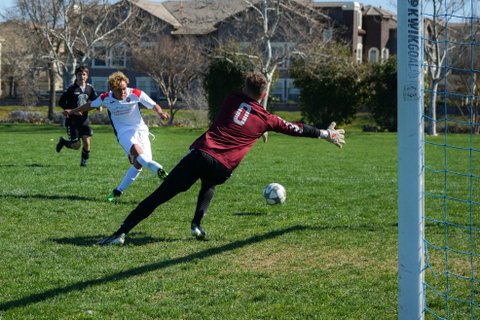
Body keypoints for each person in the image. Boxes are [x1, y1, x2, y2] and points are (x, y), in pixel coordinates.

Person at [97, 71, 345, 246]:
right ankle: (196, 225)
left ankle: (120, 233)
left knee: (160, 196)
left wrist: (261, 127)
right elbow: (296, 128)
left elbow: (241, 113)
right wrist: (326, 133)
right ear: (265, 93)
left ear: (243, 88)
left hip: (202, 153)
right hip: (223, 168)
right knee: (210, 182)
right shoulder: (267, 119)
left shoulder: (231, 98)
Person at [64, 71, 170, 202]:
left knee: (140, 163)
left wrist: (160, 113)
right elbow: (90, 105)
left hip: (141, 130)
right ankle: (164, 173)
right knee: (140, 157)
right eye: (120, 90)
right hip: (124, 133)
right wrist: (73, 111)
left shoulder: (135, 93)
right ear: (112, 89)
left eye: (125, 88)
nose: (124, 92)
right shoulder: (105, 98)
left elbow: (153, 105)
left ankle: (118, 191)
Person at [57, 66, 100, 167]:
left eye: (84, 74)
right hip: (72, 122)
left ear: (87, 76)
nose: (82, 76)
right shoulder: (71, 88)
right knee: (76, 146)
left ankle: (83, 163)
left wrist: (99, 106)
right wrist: (72, 111)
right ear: (76, 76)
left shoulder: (90, 88)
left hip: (84, 120)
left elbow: (95, 100)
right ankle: (63, 142)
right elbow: (61, 102)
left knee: (87, 142)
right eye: (79, 74)